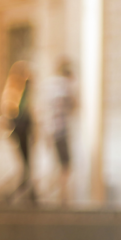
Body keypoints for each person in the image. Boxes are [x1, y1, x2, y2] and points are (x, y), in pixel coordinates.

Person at [0, 60, 36, 202]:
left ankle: (29, 191)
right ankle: (24, 191)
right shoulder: (13, 90)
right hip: (19, 128)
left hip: (24, 129)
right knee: (24, 162)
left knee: (26, 162)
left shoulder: (24, 90)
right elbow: (10, 110)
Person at [44, 58, 76, 204]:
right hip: (61, 130)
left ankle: (57, 194)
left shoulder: (50, 85)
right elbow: (73, 105)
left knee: (57, 164)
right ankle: (62, 196)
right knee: (65, 165)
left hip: (50, 129)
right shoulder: (64, 86)